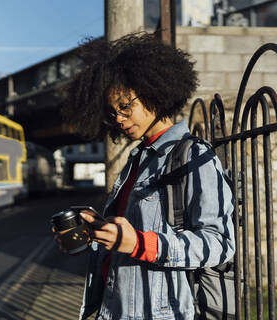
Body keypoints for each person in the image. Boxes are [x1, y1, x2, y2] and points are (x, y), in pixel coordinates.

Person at [60, 33, 235, 320]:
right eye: (112, 112)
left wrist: (142, 244)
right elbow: (128, 235)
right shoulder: (137, 159)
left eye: (125, 106)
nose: (118, 118)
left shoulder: (192, 155)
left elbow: (219, 243)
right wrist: (97, 229)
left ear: (154, 92)